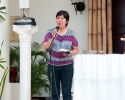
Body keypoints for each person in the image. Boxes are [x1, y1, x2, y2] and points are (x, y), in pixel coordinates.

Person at [43, 10, 79, 100]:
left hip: (67, 66)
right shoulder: (50, 32)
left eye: (62, 18)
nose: (59, 20)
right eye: (58, 18)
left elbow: (76, 49)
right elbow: (45, 48)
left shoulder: (72, 33)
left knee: (67, 93)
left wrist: (70, 53)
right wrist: (53, 37)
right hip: (52, 66)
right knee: (55, 93)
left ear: (66, 21)